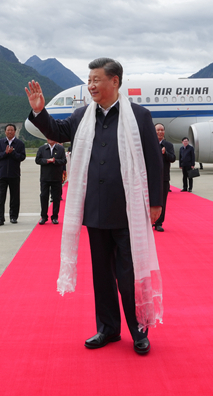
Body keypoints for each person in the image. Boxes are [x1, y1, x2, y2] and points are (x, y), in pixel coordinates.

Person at [26, 57, 163, 356]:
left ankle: (139, 330)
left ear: (114, 81)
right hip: (96, 210)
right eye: (89, 80)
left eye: (96, 80)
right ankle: (108, 328)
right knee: (101, 276)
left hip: (127, 211)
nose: (91, 86)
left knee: (128, 276)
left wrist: (156, 202)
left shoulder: (138, 116)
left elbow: (153, 160)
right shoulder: (82, 116)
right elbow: (57, 130)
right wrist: (39, 111)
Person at [0, 123, 26, 226]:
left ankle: (13, 216)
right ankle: (0, 218)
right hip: (2, 174)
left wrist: (12, 153)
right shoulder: (0, 143)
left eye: (12, 130)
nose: (10, 132)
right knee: (1, 197)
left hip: (14, 174)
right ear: (5, 132)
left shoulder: (19, 144)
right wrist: (5, 153)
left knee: (14, 197)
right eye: (8, 130)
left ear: (15, 131)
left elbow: (22, 157)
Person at [35, 138, 66, 225]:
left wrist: (55, 161)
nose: (50, 139)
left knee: (56, 198)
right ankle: (44, 217)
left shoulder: (60, 149)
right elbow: (37, 160)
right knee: (44, 197)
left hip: (56, 177)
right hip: (45, 177)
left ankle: (55, 217)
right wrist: (46, 161)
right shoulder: (42, 148)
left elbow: (64, 161)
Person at [155, 123, 175, 231]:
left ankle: (159, 223)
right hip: (151, 178)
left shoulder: (168, 145)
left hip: (164, 177)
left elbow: (173, 158)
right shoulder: (149, 144)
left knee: (162, 201)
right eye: (158, 130)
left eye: (162, 130)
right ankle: (149, 221)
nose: (160, 132)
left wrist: (165, 153)